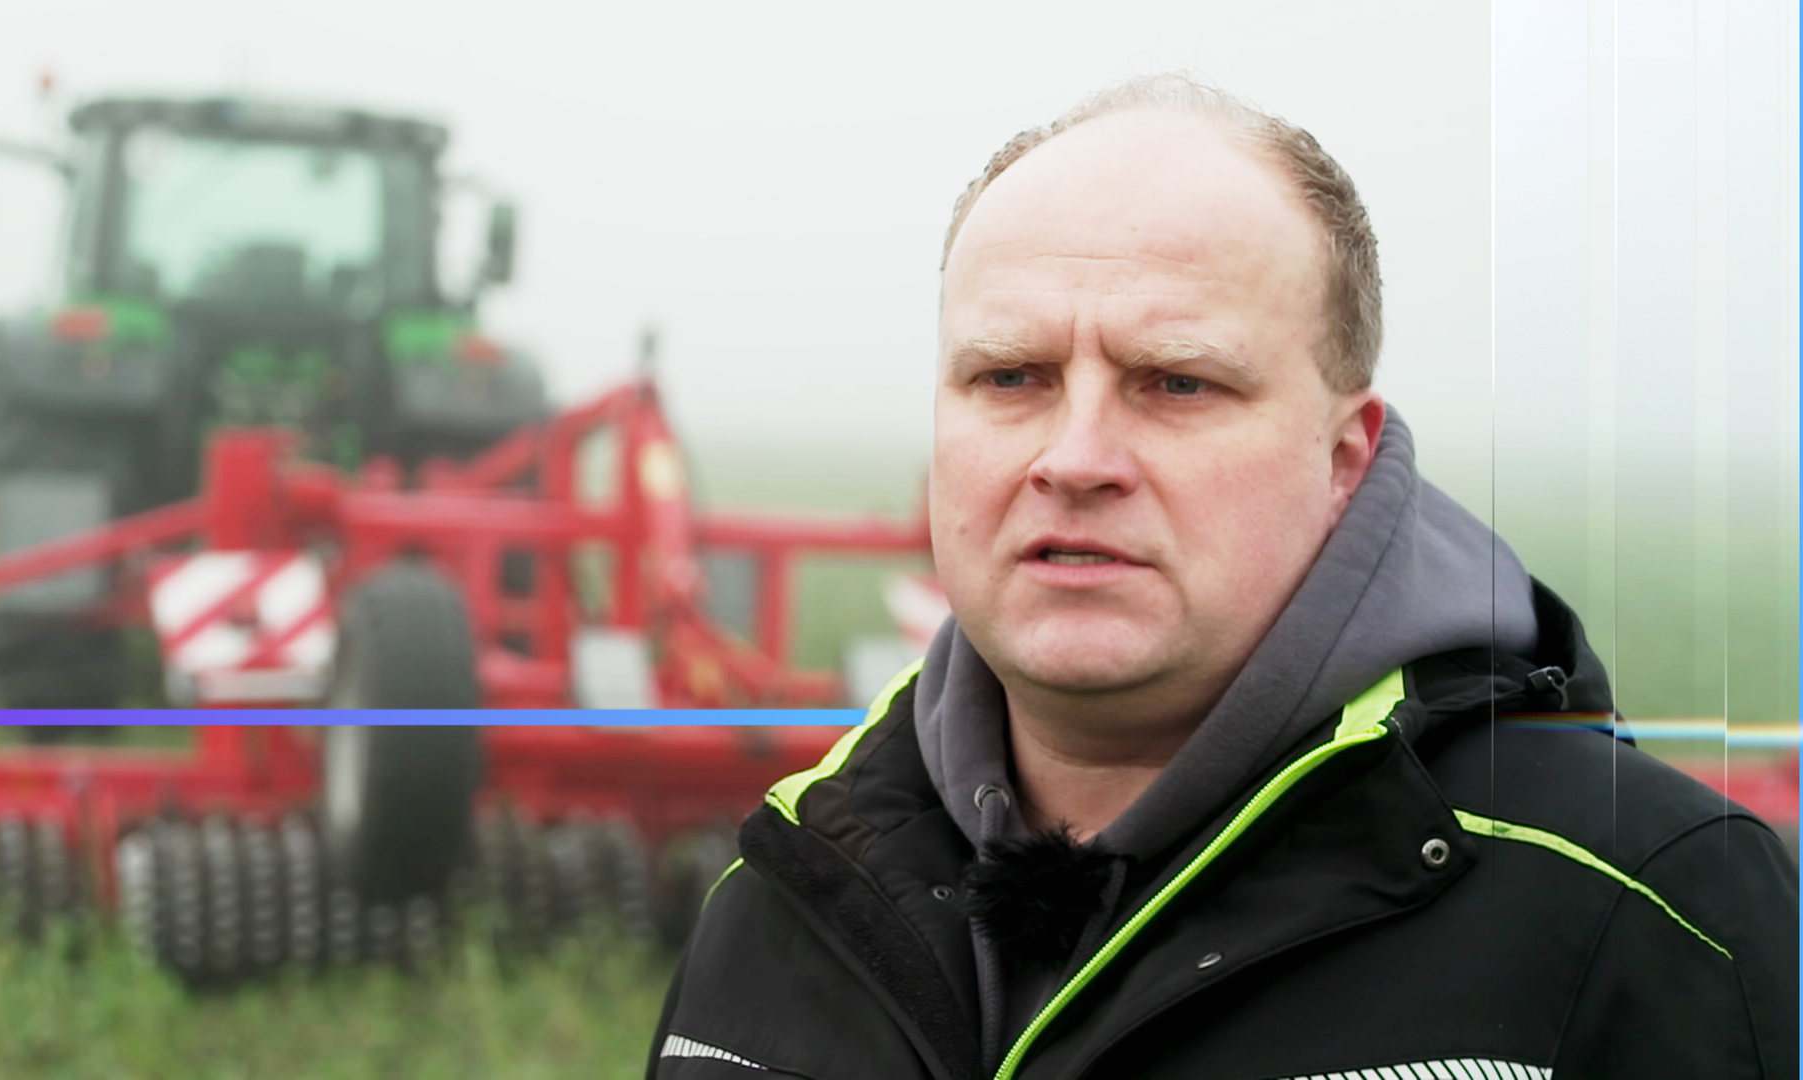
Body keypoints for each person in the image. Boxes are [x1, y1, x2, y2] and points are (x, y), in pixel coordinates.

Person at [646, 74, 1799, 1080]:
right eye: (1009, 377)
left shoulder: (1644, 913)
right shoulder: (781, 902)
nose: (1076, 458)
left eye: (1175, 382)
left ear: (1344, 459)